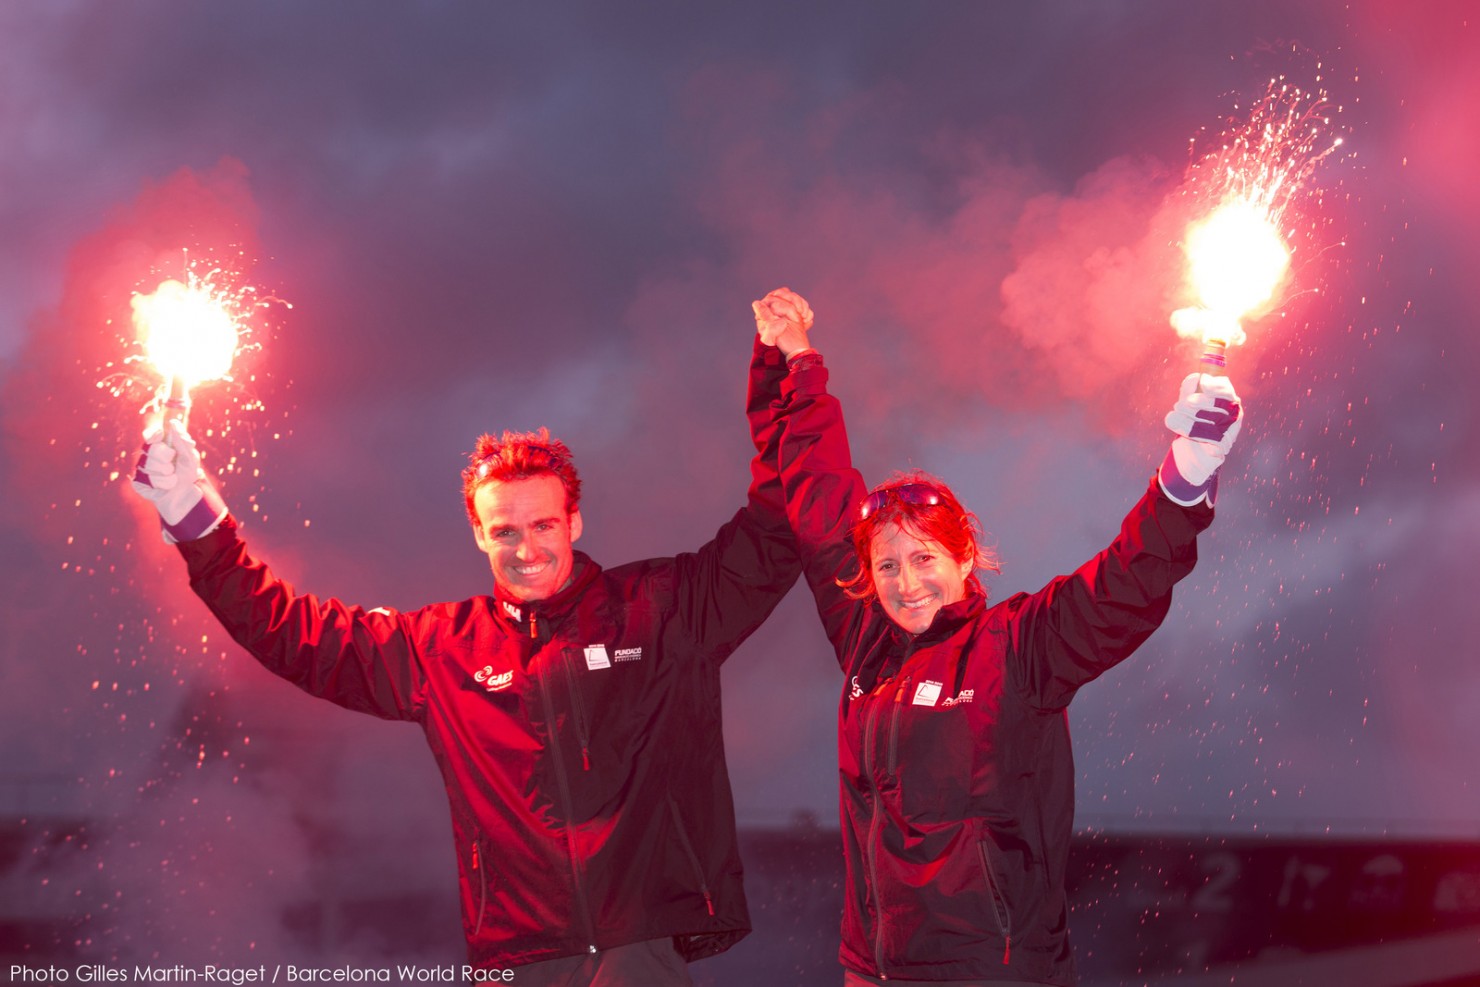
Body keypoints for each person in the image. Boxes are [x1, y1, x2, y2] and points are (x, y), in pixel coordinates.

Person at [127, 341, 802, 985]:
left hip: (638, 949)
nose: (526, 547)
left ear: (574, 521)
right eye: (504, 530)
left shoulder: (662, 610)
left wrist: (782, 378)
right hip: (516, 957)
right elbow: (290, 632)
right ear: (480, 532)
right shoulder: (442, 648)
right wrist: (195, 518)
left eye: (542, 525)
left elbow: (775, 530)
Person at [750, 287, 1242, 986]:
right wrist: (799, 359)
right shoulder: (868, 643)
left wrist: (1189, 470)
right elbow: (817, 491)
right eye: (887, 564)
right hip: (873, 972)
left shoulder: (1016, 647)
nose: (905, 581)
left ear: (964, 558)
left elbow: (1124, 585)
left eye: (924, 559)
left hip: (994, 970)